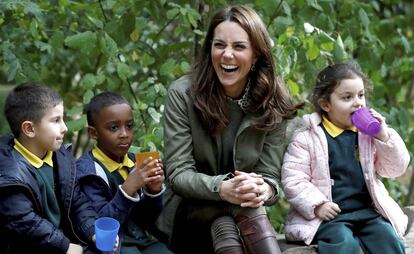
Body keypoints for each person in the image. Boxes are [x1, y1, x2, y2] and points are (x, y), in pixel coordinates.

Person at [156, 5, 301, 254]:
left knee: (228, 228)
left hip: (239, 215)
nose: (227, 55)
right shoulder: (183, 94)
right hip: (188, 213)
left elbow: (270, 176)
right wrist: (223, 188)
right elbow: (178, 174)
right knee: (243, 209)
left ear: (256, 54)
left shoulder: (272, 100)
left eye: (239, 47)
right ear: (210, 47)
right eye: (219, 44)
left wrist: (263, 188)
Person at [281, 63, 409, 253]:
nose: (358, 103)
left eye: (361, 95)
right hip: (331, 216)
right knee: (343, 244)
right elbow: (294, 178)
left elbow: (395, 169)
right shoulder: (307, 138)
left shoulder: (369, 135)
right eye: (347, 97)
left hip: (367, 212)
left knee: (388, 240)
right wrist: (317, 205)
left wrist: (384, 137)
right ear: (326, 105)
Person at [0, 83, 98, 254]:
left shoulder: (61, 157)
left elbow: (77, 203)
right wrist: (65, 246)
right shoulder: (9, 177)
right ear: (29, 129)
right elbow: (26, 222)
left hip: (61, 243)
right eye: (56, 120)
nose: (65, 128)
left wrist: (92, 231)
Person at [76, 92, 172, 254]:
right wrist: (127, 190)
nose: (124, 134)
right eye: (114, 128)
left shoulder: (135, 162)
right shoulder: (88, 172)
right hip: (112, 247)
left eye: (129, 126)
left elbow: (144, 220)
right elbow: (99, 227)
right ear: (93, 133)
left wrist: (153, 191)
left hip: (140, 241)